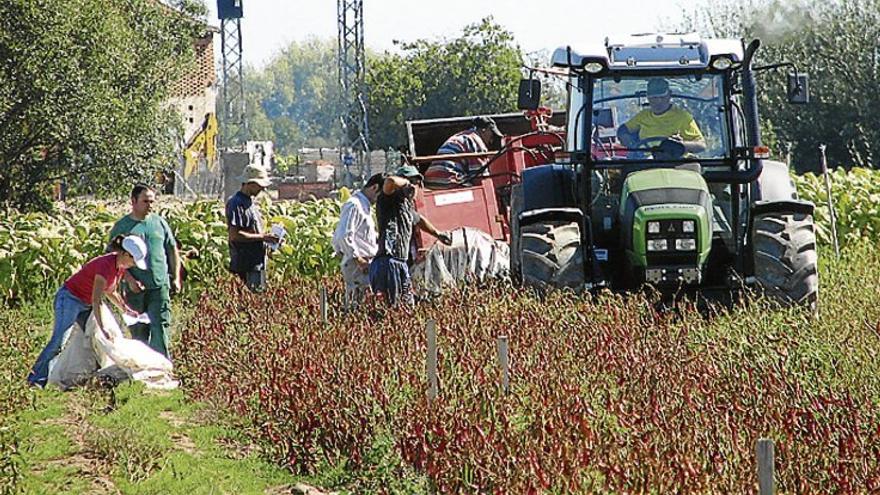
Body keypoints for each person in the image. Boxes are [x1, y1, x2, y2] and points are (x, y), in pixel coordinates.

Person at [28, 236, 147, 387]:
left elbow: (111, 291)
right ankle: (35, 381)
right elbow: (96, 299)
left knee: (93, 340)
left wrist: (125, 308)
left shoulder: (120, 268)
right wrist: (102, 327)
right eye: (133, 260)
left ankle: (88, 376)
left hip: (86, 303)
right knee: (59, 342)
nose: (134, 264)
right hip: (70, 299)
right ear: (125, 254)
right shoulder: (105, 265)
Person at [109, 184, 181, 359]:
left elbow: (172, 250)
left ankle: (162, 365)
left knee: (160, 326)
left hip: (159, 285)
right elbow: (113, 258)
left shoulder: (159, 223)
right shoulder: (122, 227)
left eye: (152, 201)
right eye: (145, 201)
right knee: (139, 330)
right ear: (133, 201)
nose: (150, 205)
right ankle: (141, 368)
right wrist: (130, 279)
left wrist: (176, 277)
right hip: (135, 289)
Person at [370, 165, 453, 306]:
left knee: (407, 306)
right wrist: (405, 184)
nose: (414, 187)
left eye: (416, 182)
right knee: (393, 307)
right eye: (411, 182)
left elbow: (420, 220)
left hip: (400, 263)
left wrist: (438, 234)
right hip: (388, 262)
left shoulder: (406, 206)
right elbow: (390, 181)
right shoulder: (388, 200)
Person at [617, 78, 706, 159]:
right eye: (654, 98)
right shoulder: (643, 115)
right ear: (648, 97)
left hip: (675, 162)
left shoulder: (683, 117)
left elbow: (701, 145)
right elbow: (622, 130)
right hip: (645, 162)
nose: (658, 101)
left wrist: (681, 145)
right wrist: (630, 142)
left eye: (662, 97)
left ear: (669, 95)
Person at [332, 173, 384, 308]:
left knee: (365, 304)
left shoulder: (363, 205)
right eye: (380, 195)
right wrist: (358, 259)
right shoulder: (354, 205)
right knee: (358, 306)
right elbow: (344, 235)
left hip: (365, 263)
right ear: (375, 187)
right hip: (359, 264)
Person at [226, 164, 280, 292]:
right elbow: (235, 235)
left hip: (256, 264)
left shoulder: (250, 203)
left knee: (257, 301)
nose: (262, 189)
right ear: (250, 183)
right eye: (260, 185)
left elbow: (253, 232)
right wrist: (263, 237)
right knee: (249, 302)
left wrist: (268, 241)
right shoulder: (236, 203)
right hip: (245, 266)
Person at [424, 116, 504, 189]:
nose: (491, 139)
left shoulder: (461, 136)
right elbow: (480, 178)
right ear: (484, 130)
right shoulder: (476, 141)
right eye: (491, 134)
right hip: (448, 181)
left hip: (431, 182)